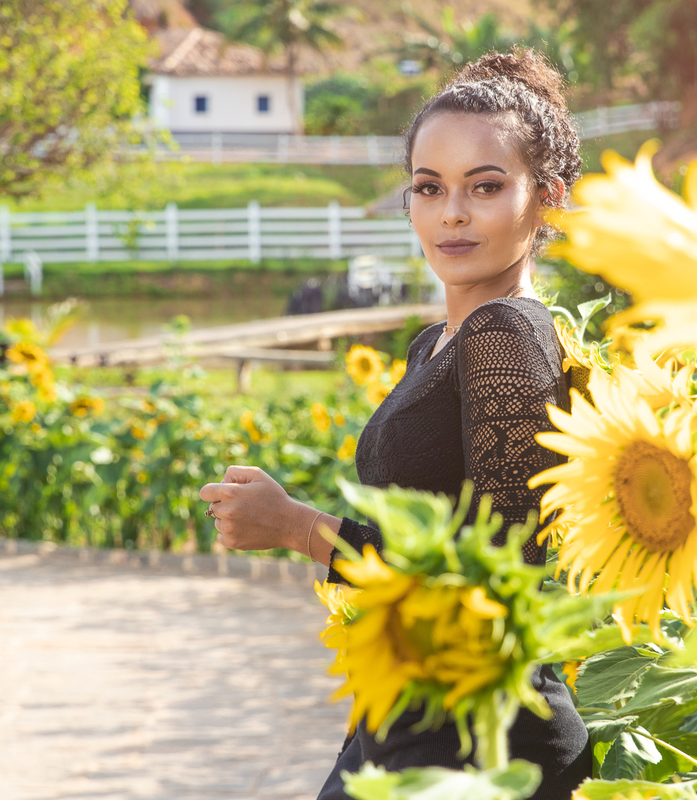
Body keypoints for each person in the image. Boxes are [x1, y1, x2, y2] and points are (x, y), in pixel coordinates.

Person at [199, 48, 591, 800]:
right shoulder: (438, 343)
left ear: (548, 199)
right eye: (428, 186)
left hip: (487, 734)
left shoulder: (506, 335)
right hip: (420, 709)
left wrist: (298, 528)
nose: (451, 212)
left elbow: (503, 571)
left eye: (485, 186)